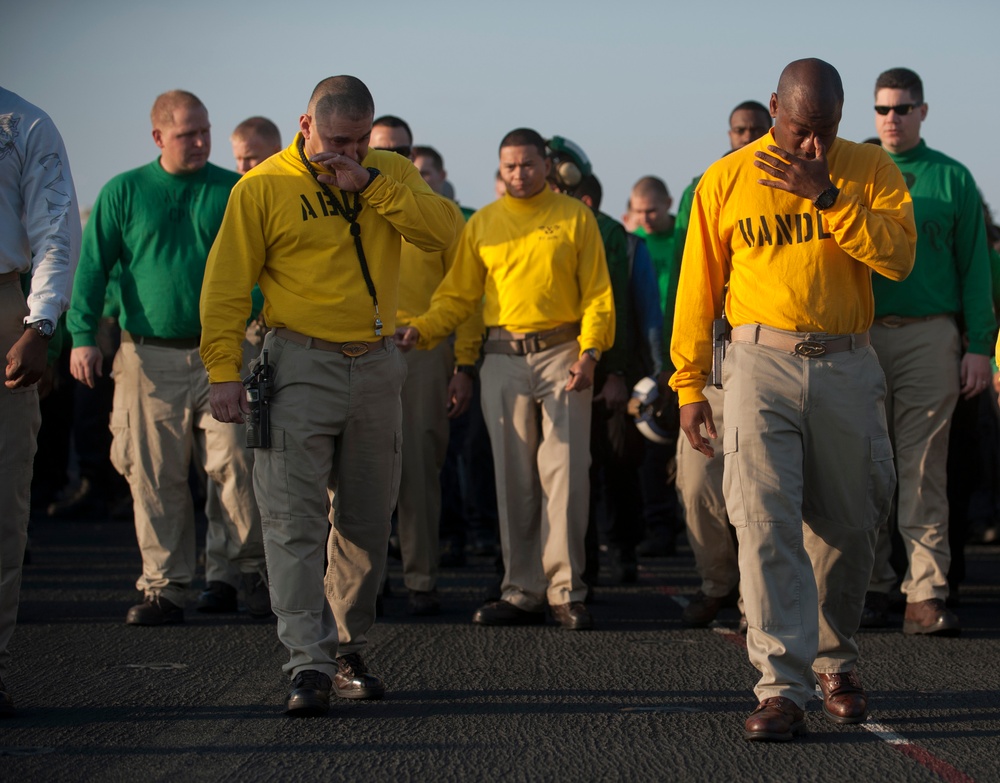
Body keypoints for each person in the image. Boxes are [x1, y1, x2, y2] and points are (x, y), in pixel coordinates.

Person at [671, 58, 916, 741]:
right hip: (756, 361)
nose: (812, 146)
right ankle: (781, 683)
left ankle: (836, 660)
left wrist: (829, 197)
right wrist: (690, 383)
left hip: (845, 360)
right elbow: (698, 288)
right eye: (801, 129)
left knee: (850, 519)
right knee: (763, 520)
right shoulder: (725, 179)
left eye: (826, 131)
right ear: (774, 105)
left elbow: (898, 258)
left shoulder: (867, 169)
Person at [200, 75, 460, 716]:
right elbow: (227, 285)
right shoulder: (261, 188)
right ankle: (307, 663)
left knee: (368, 521)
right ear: (304, 124)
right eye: (334, 140)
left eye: (358, 141)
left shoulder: (387, 170)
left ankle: (347, 647)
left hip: (377, 365)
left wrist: (371, 187)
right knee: (293, 523)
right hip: (298, 363)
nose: (344, 152)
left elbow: (446, 234)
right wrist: (223, 371)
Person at [397, 128, 614, 631]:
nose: (519, 174)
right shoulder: (484, 224)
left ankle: (566, 591)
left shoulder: (575, 218)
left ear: (547, 166)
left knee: (564, 475)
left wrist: (590, 353)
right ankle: (521, 590)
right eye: (509, 166)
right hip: (501, 355)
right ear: (501, 170)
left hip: (562, 352)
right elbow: (458, 297)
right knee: (512, 477)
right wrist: (424, 330)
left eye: (528, 164)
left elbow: (599, 296)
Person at [67, 90, 267, 627]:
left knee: (236, 465)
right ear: (158, 137)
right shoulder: (123, 192)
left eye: (204, 130)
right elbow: (89, 269)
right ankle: (167, 586)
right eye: (187, 134)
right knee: (154, 474)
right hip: (146, 356)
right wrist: (82, 334)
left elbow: (268, 263)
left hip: (224, 353)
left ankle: (246, 573)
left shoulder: (234, 190)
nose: (200, 141)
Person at [863, 68, 995, 635]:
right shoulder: (855, 171)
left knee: (923, 466)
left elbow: (977, 272)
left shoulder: (952, 178)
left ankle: (925, 592)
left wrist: (979, 349)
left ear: (923, 112)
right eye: (883, 109)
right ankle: (867, 585)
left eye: (902, 108)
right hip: (858, 335)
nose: (892, 118)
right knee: (864, 465)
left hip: (930, 335)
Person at [666, 101, 772, 629]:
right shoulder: (708, 185)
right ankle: (716, 583)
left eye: (756, 130)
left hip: (764, 360)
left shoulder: (789, 183)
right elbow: (688, 283)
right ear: (728, 134)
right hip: (712, 361)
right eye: (739, 130)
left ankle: (757, 604)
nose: (747, 137)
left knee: (757, 491)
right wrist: (682, 376)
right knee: (697, 480)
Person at [369, 120, 482, 616]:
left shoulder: (442, 216)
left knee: (418, 470)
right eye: (380, 150)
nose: (393, 158)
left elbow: (467, 296)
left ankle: (420, 579)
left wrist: (464, 365)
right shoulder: (341, 208)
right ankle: (364, 583)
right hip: (354, 350)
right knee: (358, 476)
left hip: (422, 352)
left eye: (402, 150)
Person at [0, 86, 81, 717]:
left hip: (6, 304)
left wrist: (41, 324)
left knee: (4, 499)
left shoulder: (24, 123)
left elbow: (55, 227)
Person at [196, 117, 283, 616]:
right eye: (240, 159)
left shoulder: (271, 194)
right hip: (221, 339)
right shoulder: (238, 195)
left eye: (255, 158)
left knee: (241, 459)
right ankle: (220, 571)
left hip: (258, 335)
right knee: (218, 466)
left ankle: (254, 568)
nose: (246, 167)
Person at [624, 176, 682, 557]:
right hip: (649, 357)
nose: (645, 218)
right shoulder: (634, 244)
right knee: (650, 449)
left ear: (668, 204)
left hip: (683, 351)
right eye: (639, 211)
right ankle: (659, 527)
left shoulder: (684, 236)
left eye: (652, 211)